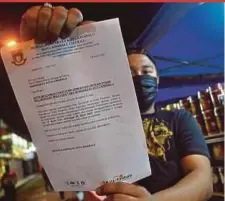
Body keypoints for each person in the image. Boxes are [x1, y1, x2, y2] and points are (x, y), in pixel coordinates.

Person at [5, 4, 213, 201]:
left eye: (147, 72)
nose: (140, 77)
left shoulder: (178, 119)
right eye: (130, 72)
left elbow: (203, 179)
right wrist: (40, 59)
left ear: (157, 78)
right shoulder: (98, 121)